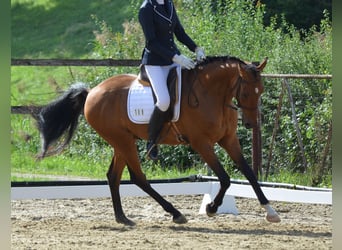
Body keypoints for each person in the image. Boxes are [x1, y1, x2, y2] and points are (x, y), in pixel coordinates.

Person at [139, 0, 205, 160]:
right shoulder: (146, 9)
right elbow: (152, 42)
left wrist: (196, 48)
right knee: (164, 101)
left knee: (193, 87)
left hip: (173, 60)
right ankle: (152, 141)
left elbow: (179, 32)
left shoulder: (168, 4)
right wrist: (175, 57)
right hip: (155, 63)